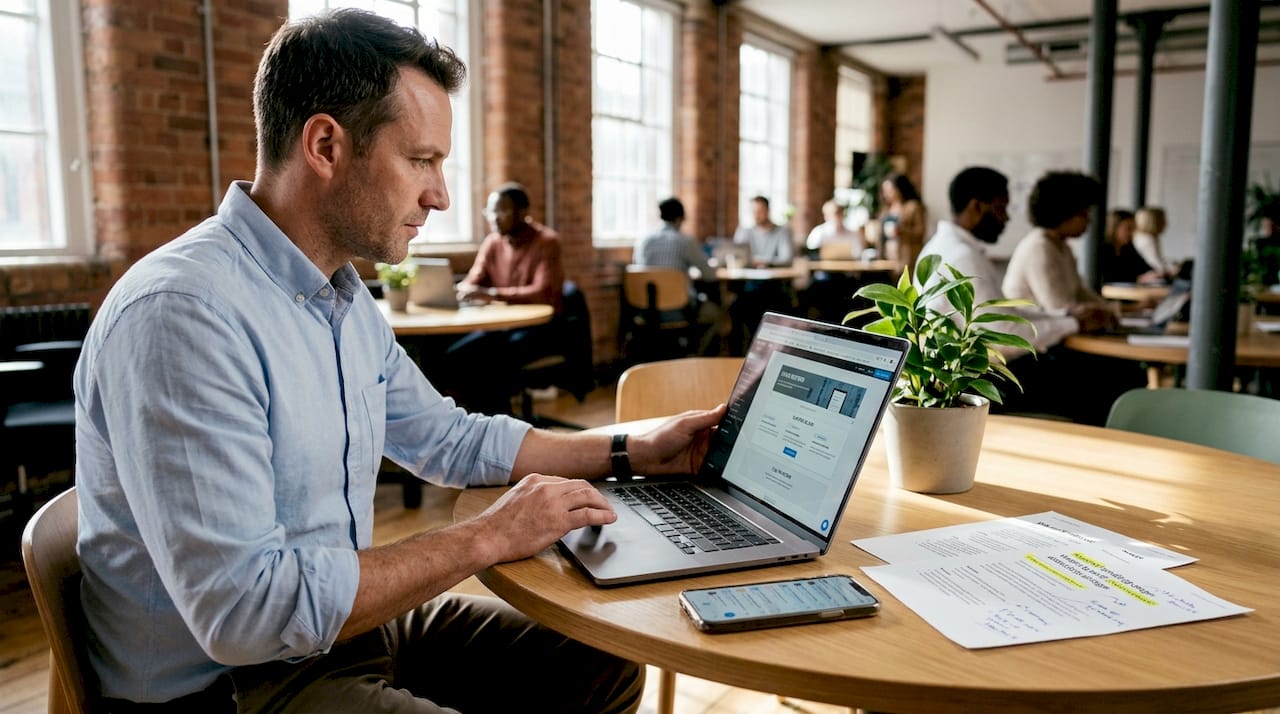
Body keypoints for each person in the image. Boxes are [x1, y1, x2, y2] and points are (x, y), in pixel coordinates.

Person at [73, 10, 724, 712]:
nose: (441, 194)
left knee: (605, 667)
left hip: (335, 634)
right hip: (232, 686)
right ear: (325, 144)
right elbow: (247, 616)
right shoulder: (184, 314)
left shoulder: (342, 297)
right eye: (421, 160)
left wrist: (633, 448)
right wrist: (489, 535)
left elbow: (448, 439)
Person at [916, 166, 1123, 424]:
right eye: (1001, 208)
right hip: (975, 383)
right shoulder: (963, 257)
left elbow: (1003, 314)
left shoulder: (943, 247)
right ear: (977, 206)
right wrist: (1074, 322)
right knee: (1103, 380)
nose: (1006, 219)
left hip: (965, 374)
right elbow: (1000, 335)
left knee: (1098, 373)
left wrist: (1065, 315)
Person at [445, 182, 565, 413]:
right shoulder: (493, 242)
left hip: (542, 329)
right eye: (490, 212)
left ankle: (501, 427)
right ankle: (479, 422)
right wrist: (464, 289)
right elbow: (473, 280)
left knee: (489, 361)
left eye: (502, 211)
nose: (494, 218)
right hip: (503, 327)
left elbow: (542, 292)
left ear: (523, 212)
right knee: (453, 355)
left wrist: (491, 295)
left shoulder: (547, 242)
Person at [1002, 170, 1118, 330]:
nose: (1089, 220)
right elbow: (1059, 307)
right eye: (1084, 214)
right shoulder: (1040, 248)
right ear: (1063, 213)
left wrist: (1110, 309)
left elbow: (1080, 293)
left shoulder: (1062, 247)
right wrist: (1107, 311)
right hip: (1036, 340)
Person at [633, 197, 722, 354]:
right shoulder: (684, 241)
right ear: (680, 218)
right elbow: (709, 275)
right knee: (718, 314)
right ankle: (694, 355)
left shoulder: (643, 241)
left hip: (645, 310)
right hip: (678, 311)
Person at [879, 173, 926, 268]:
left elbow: (921, 232)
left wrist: (902, 231)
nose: (886, 194)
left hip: (906, 257)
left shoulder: (913, 207)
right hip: (887, 256)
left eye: (890, 190)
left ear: (899, 188)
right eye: (884, 191)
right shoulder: (885, 210)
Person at [1100, 208, 1159, 284]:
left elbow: (1145, 268)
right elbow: (1107, 277)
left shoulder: (1128, 247)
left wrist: (1155, 274)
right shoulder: (1103, 249)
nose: (1132, 233)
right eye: (1128, 228)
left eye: (1134, 229)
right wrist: (1137, 279)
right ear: (1114, 228)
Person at [733, 195, 793, 267]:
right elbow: (735, 255)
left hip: (774, 276)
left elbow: (787, 259)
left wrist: (764, 262)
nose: (756, 215)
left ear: (768, 211)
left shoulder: (782, 232)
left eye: (760, 211)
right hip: (748, 275)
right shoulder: (744, 231)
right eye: (753, 212)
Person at [1133, 206, 1176, 281]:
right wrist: (1174, 269)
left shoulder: (1148, 237)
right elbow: (1157, 265)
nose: (1166, 224)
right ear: (1154, 221)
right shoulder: (1147, 239)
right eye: (1163, 220)